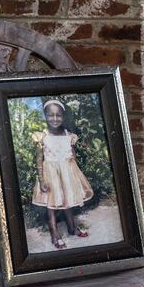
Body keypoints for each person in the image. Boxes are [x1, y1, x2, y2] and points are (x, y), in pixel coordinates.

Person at [31, 99, 94, 249]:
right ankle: (54, 233)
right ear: (45, 116)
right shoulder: (42, 136)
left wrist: (75, 176)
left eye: (58, 115)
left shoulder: (69, 135)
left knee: (67, 200)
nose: (54, 118)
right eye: (50, 115)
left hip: (67, 174)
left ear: (63, 117)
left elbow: (72, 157)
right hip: (50, 175)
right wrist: (41, 180)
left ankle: (72, 228)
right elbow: (39, 160)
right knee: (51, 205)